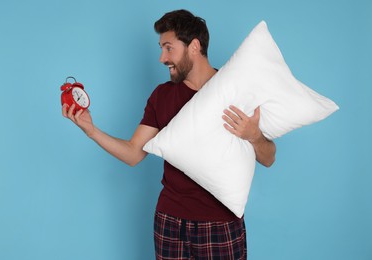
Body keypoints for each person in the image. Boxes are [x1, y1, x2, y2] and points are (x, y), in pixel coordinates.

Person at [62, 9, 276, 260]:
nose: (162, 58)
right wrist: (91, 130)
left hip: (221, 223)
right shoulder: (162, 96)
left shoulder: (235, 91)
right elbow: (133, 153)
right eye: (161, 48)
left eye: (168, 48)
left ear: (194, 46)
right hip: (170, 222)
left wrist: (254, 135)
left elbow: (268, 158)